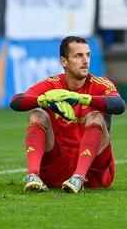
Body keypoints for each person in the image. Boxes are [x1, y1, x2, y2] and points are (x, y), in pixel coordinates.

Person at [10, 36, 125, 193]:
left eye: (88, 55)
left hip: (93, 172)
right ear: (64, 61)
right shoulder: (52, 85)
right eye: (79, 55)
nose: (85, 60)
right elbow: (16, 101)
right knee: (37, 113)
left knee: (96, 117)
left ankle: (78, 177)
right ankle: (33, 175)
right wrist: (43, 100)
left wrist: (81, 99)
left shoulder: (100, 84)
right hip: (56, 167)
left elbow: (119, 105)